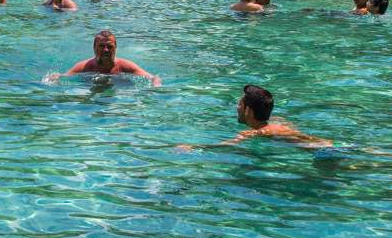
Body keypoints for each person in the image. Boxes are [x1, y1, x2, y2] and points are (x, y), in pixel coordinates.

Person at [180, 85, 332, 151]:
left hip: (324, 151)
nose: (237, 108)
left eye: (239, 105)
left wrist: (193, 147)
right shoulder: (277, 122)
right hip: (325, 146)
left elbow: (227, 145)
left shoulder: (257, 132)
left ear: (248, 111)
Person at [49, 29, 160, 85]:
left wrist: (156, 85)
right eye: (102, 46)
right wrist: (55, 78)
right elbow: (64, 76)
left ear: (115, 48)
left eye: (109, 46)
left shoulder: (125, 66)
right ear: (94, 47)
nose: (106, 50)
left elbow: (153, 78)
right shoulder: (84, 66)